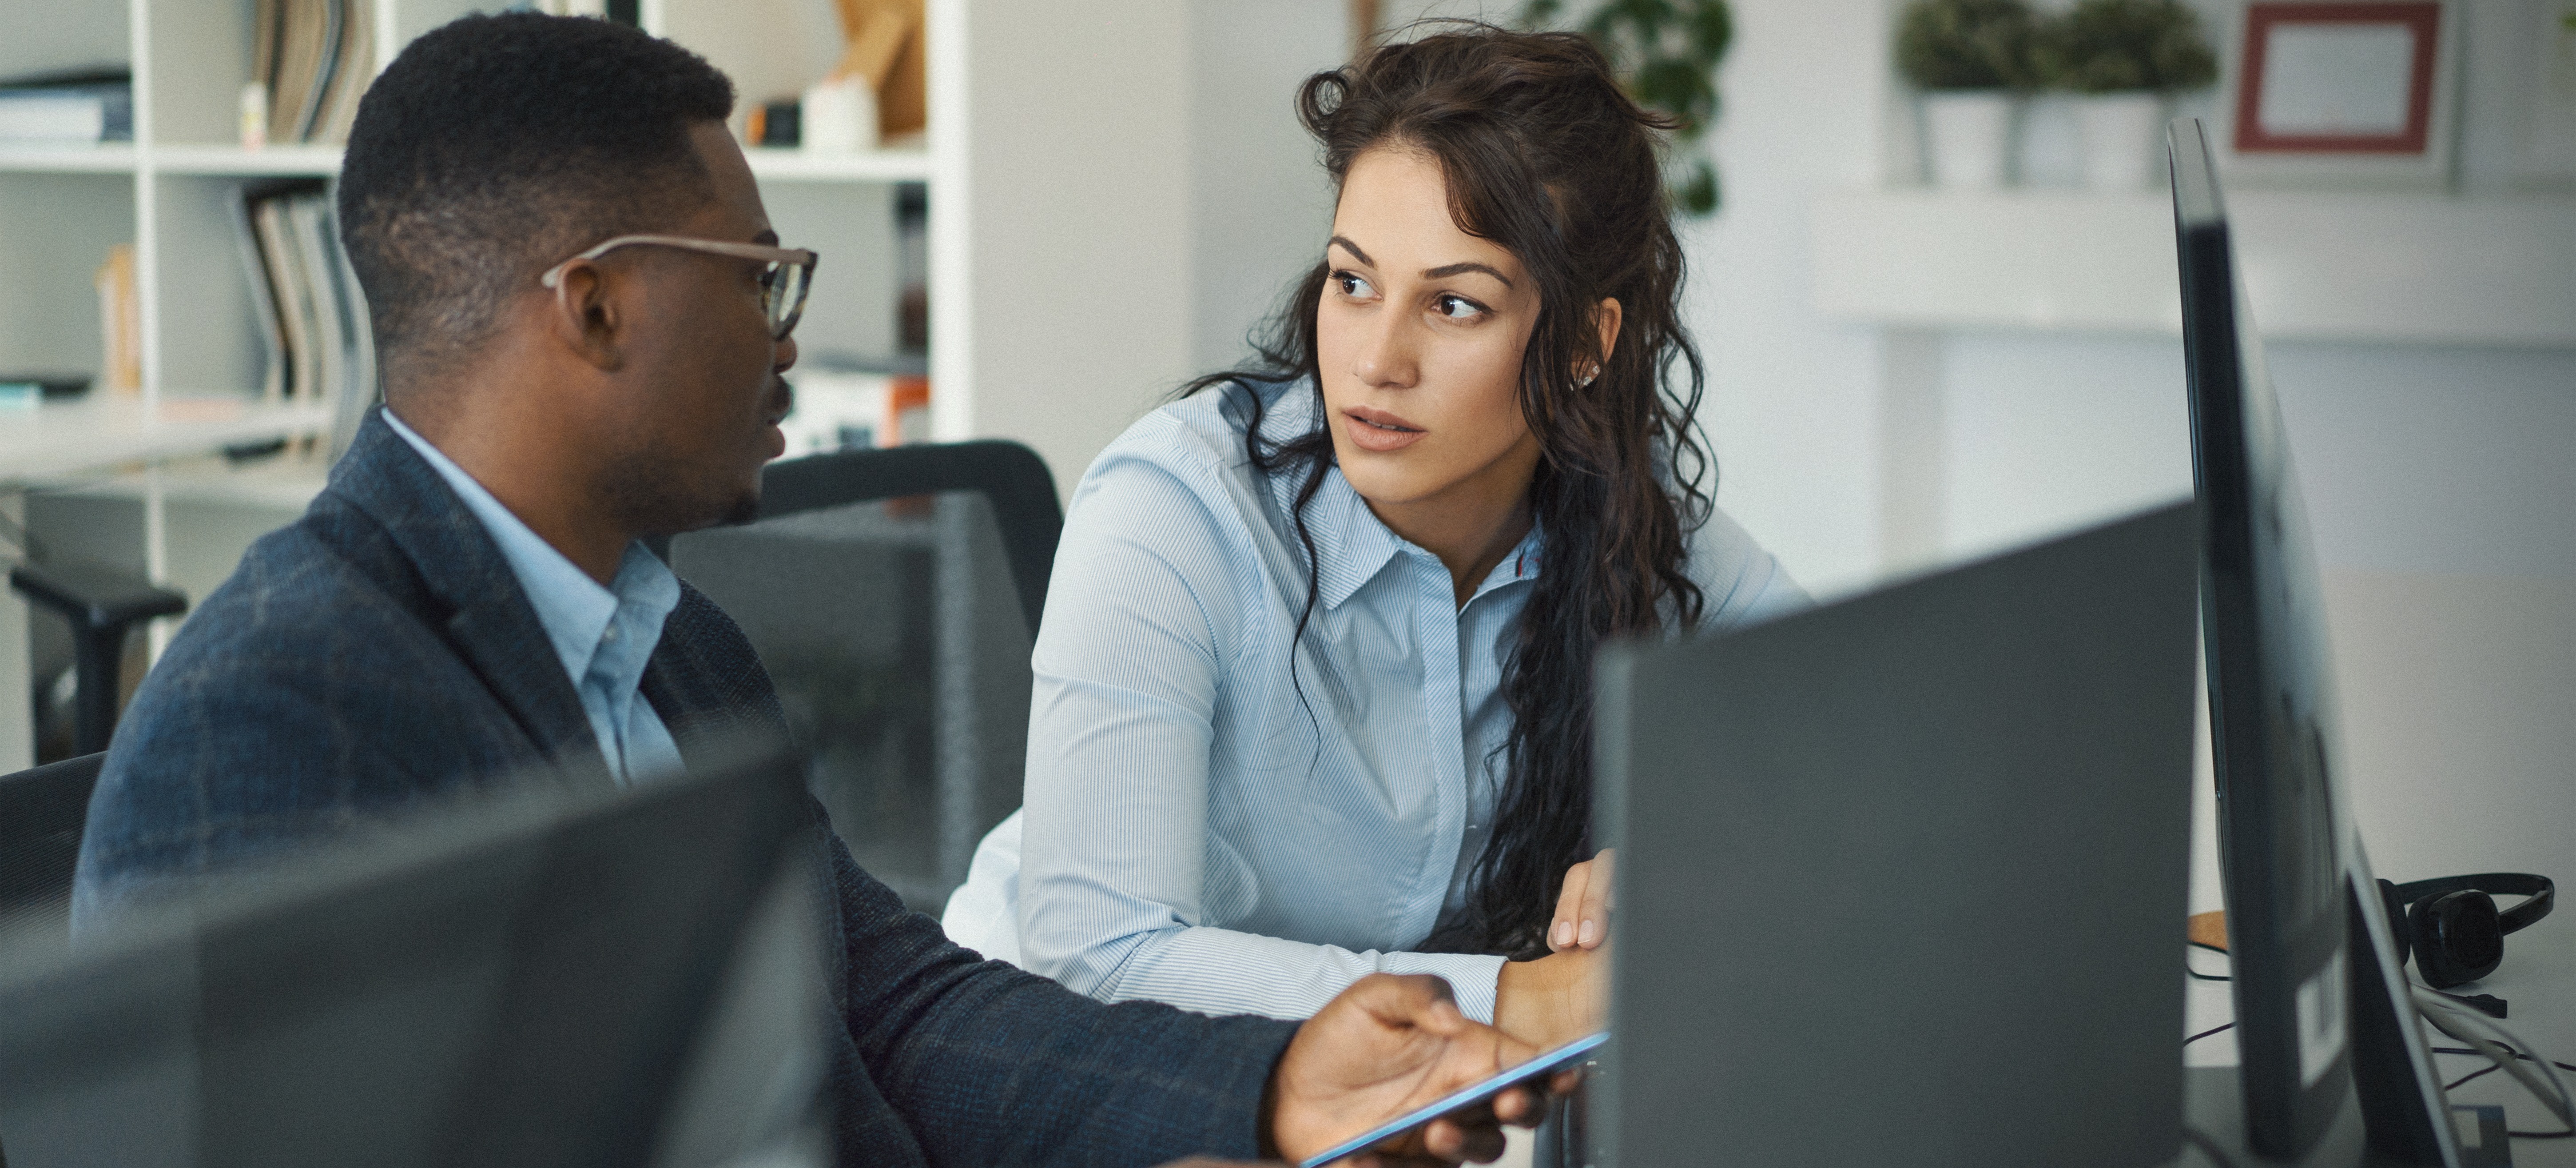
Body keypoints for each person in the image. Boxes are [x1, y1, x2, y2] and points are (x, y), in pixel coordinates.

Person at [71, 14, 1563, 1167]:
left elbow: (888, 1008)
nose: (791, 338)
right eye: (756, 280)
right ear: (595, 306)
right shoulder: (282, 713)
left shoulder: (666, 638)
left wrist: (1266, 1085)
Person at [940, 25, 1804, 1050]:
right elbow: (1105, 952)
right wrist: (1516, 998)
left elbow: (1837, 711)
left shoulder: (1618, 501)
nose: (1374, 362)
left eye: (1452, 304)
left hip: (1373, 1096)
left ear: (1583, 344)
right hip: (1069, 1072)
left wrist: (1680, 832)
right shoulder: (1172, 513)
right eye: (1352, 283)